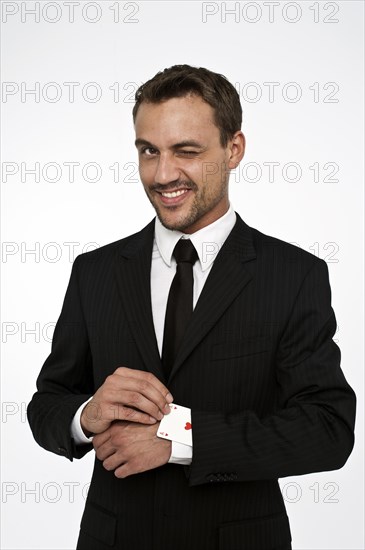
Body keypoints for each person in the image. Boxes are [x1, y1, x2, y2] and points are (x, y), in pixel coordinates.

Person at [28, 64, 356, 550]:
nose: (163, 175)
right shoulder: (93, 271)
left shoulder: (293, 275)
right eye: (148, 151)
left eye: (187, 151)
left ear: (234, 150)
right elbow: (47, 405)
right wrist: (87, 414)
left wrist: (180, 438)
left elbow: (327, 429)